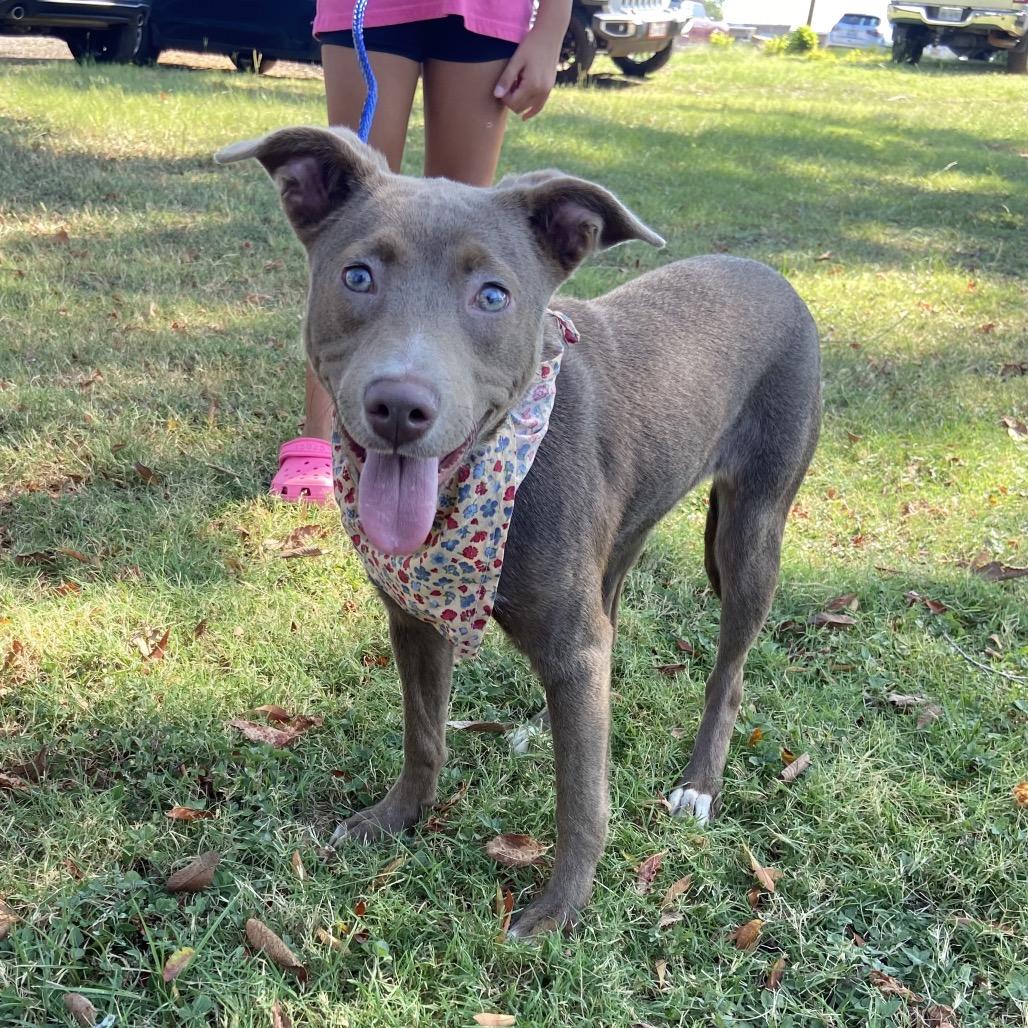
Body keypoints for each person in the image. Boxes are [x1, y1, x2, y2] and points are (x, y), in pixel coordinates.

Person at [271, 0, 572, 502]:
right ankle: (320, 440)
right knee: (353, 230)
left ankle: (452, 428)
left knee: (465, 237)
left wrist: (551, 28)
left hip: (484, 8)